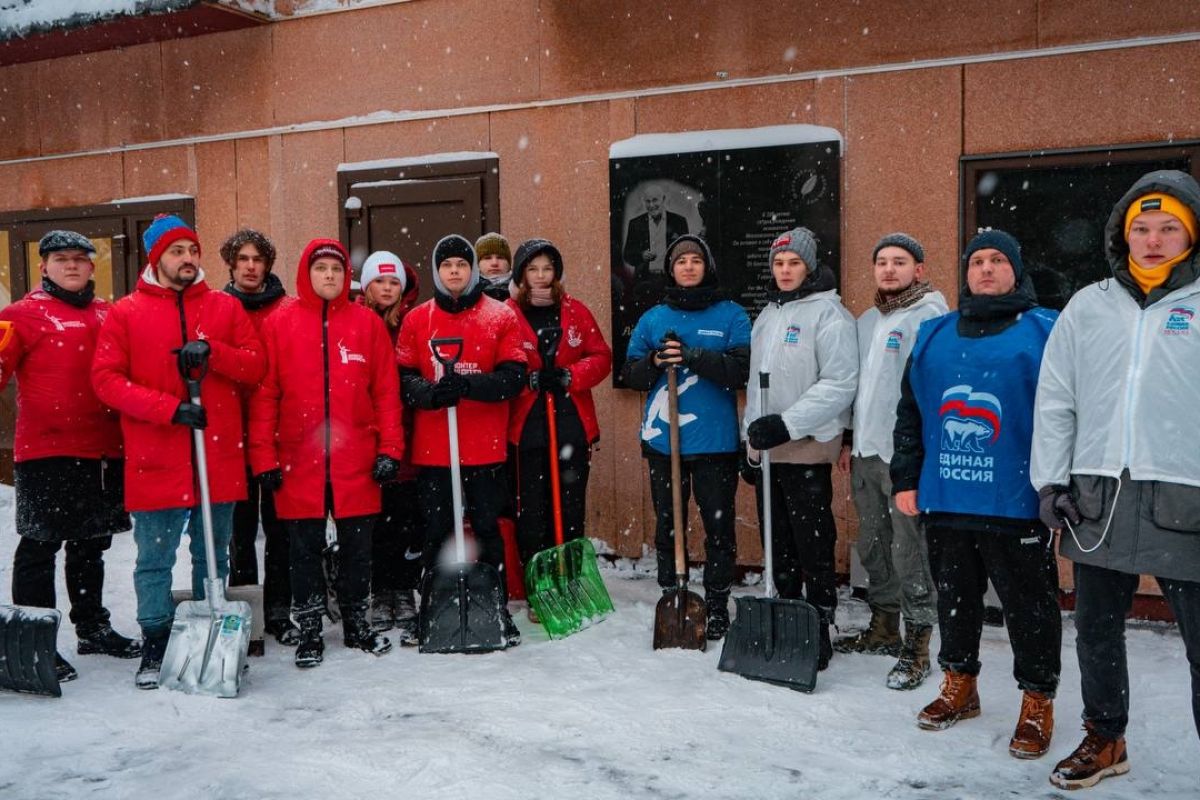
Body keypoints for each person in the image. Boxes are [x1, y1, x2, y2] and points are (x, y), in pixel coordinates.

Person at [1032, 170, 1200, 789]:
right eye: (1141, 229)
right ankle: (1105, 738)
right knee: (1096, 628)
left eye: (1168, 229)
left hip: (1188, 494)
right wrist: (1051, 481)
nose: (1152, 241)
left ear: (1192, 234)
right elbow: (1056, 398)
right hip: (1099, 492)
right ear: (1122, 235)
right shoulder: (1090, 304)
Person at [891, 229, 1062, 759]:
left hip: (1016, 499)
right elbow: (910, 414)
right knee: (956, 600)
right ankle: (959, 685)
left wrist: (1062, 484)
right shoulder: (935, 333)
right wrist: (906, 477)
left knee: (1029, 607)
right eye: (976, 262)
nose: (986, 269)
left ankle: (1037, 700)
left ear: (1016, 269)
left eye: (997, 261)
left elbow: (1067, 415)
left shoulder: (1046, 329)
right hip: (946, 497)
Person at [92, 214, 266, 689]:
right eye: (176, 252)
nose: (187, 259)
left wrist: (214, 352)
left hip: (217, 457)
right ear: (156, 258)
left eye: (192, 250)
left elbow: (255, 366)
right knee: (154, 558)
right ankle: (154, 641)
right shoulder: (127, 313)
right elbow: (106, 381)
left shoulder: (225, 309)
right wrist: (169, 410)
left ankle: (213, 627)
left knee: (214, 556)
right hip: (159, 457)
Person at [249, 239, 402, 668]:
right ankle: (310, 628)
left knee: (358, 549)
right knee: (303, 550)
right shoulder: (281, 323)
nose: (330, 276)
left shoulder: (366, 325)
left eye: (336, 269)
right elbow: (266, 397)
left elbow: (387, 393)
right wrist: (264, 459)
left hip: (357, 459)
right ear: (307, 274)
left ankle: (357, 624)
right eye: (321, 270)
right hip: (300, 461)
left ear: (346, 276)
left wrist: (390, 449)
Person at [0, 230, 140, 682]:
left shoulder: (111, 314)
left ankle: (93, 627)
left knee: (91, 543)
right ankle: (34, 641)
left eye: (81, 258)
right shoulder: (18, 316)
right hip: (47, 451)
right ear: (44, 267)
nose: (73, 266)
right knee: (40, 545)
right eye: (62, 259)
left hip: (104, 449)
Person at [396, 234, 527, 646]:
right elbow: (402, 378)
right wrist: (430, 393)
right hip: (435, 451)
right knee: (435, 532)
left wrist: (469, 386)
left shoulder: (499, 316)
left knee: (488, 530)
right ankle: (432, 609)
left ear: (472, 270)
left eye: (462, 264)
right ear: (438, 270)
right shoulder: (418, 319)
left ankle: (496, 608)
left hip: (484, 448)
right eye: (447, 264)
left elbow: (514, 376)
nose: (455, 271)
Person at [621, 234, 750, 640]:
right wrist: (657, 360)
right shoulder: (654, 318)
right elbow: (630, 374)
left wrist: (693, 356)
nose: (689, 267)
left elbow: (740, 371)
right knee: (668, 524)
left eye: (696, 260)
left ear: (706, 266)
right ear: (671, 269)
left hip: (715, 443)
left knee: (719, 529)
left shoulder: (731, 315)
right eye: (681, 261)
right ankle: (672, 595)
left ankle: (715, 603)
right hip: (665, 442)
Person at [835, 233, 948, 689]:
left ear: (918, 270)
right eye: (881, 261)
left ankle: (917, 643)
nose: (888, 269)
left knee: (910, 550)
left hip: (904, 456)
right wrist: (847, 439)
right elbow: (858, 387)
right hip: (865, 451)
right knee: (874, 544)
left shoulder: (931, 317)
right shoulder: (867, 321)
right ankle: (883, 627)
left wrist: (920, 456)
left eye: (899, 262)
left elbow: (931, 393)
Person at [743, 227, 857, 669]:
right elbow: (757, 385)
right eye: (779, 263)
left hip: (807, 444)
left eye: (793, 263)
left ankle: (819, 620)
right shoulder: (768, 315)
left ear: (809, 266)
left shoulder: (829, 314)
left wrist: (787, 424)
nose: (785, 270)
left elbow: (840, 382)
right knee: (778, 539)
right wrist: (750, 442)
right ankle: (786, 617)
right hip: (769, 448)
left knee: (812, 539)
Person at [505, 238, 612, 618]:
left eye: (547, 268)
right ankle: (541, 587)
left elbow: (601, 357)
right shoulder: (507, 314)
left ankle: (570, 580)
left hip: (569, 424)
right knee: (533, 511)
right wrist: (528, 381)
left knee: (569, 506)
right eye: (532, 269)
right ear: (520, 275)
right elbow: (496, 365)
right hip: (529, 427)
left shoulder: (575, 312)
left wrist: (570, 375)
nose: (540, 276)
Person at [219, 228, 295, 645]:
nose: (250, 266)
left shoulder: (286, 309)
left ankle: (280, 610)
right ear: (231, 264)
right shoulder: (217, 308)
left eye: (257, 259)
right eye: (243, 259)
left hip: (281, 433)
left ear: (268, 264)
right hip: (230, 434)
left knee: (280, 528)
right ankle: (246, 611)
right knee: (239, 531)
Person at [357, 249, 423, 644]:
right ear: (367, 286)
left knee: (404, 517)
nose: (386, 288)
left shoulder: (412, 323)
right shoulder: (355, 322)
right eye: (379, 281)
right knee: (374, 522)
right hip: (366, 435)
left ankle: (402, 588)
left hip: (408, 433)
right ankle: (379, 589)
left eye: (393, 281)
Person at [622, 183, 689, 281]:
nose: (651, 205)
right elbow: (627, 255)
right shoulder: (635, 224)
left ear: (663, 199)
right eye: (647, 201)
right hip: (645, 280)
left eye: (655, 200)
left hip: (671, 279)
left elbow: (686, 252)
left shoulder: (679, 222)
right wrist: (641, 255)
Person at [476, 232, 514, 301]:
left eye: (500, 257)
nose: (494, 263)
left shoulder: (522, 289)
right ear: (477, 263)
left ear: (509, 263)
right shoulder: (468, 292)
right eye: (487, 258)